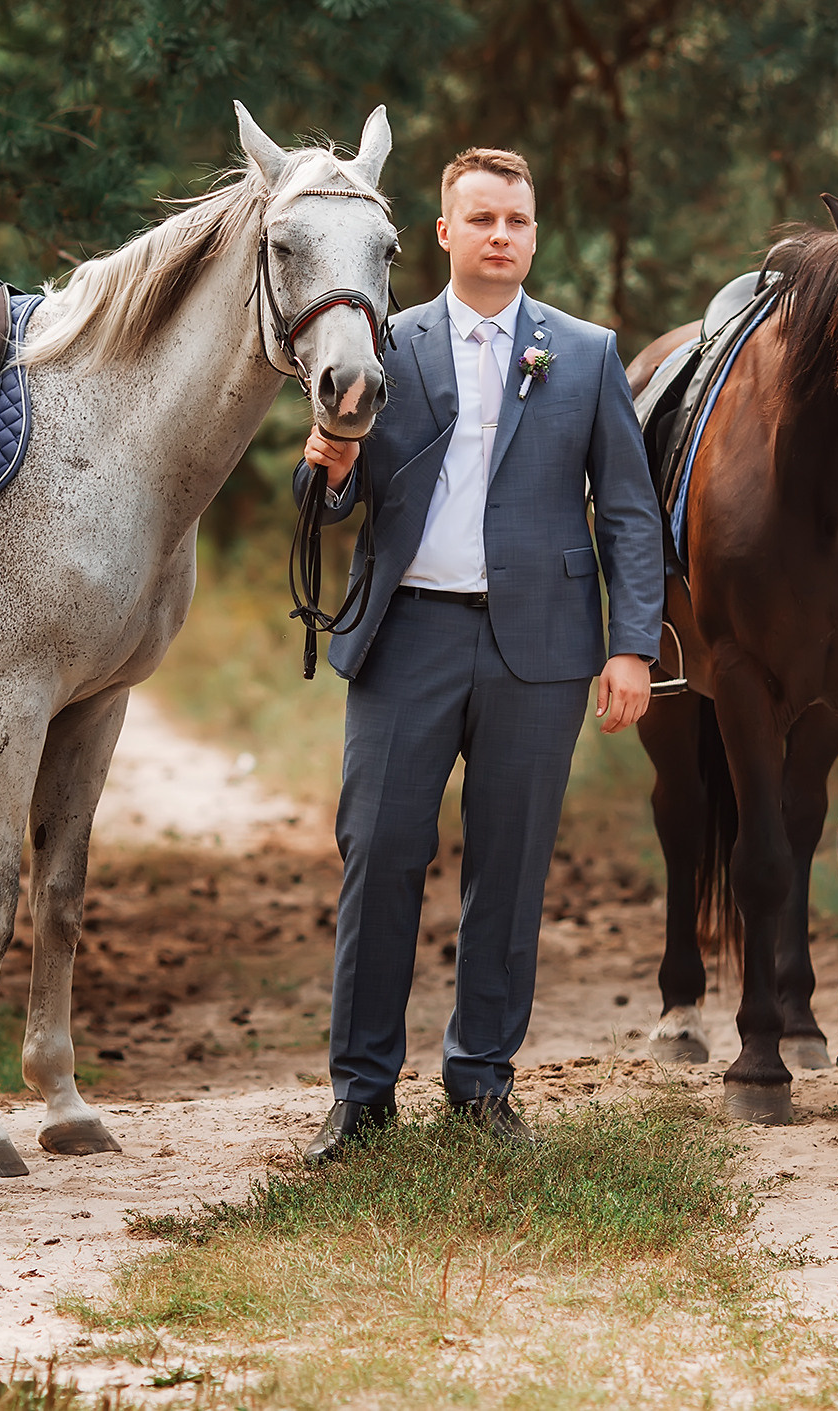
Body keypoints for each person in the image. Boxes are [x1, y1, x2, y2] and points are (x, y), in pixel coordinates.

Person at [293, 146, 662, 1163]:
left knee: (509, 869)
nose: (501, 234)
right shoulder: (385, 343)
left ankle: (481, 1083)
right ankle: (360, 1094)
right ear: (444, 233)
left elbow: (629, 512)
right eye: (481, 218)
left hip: (538, 650)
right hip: (406, 634)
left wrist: (631, 644)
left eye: (517, 220)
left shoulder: (582, 354)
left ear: (533, 236)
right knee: (379, 858)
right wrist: (324, 467)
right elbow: (330, 501)